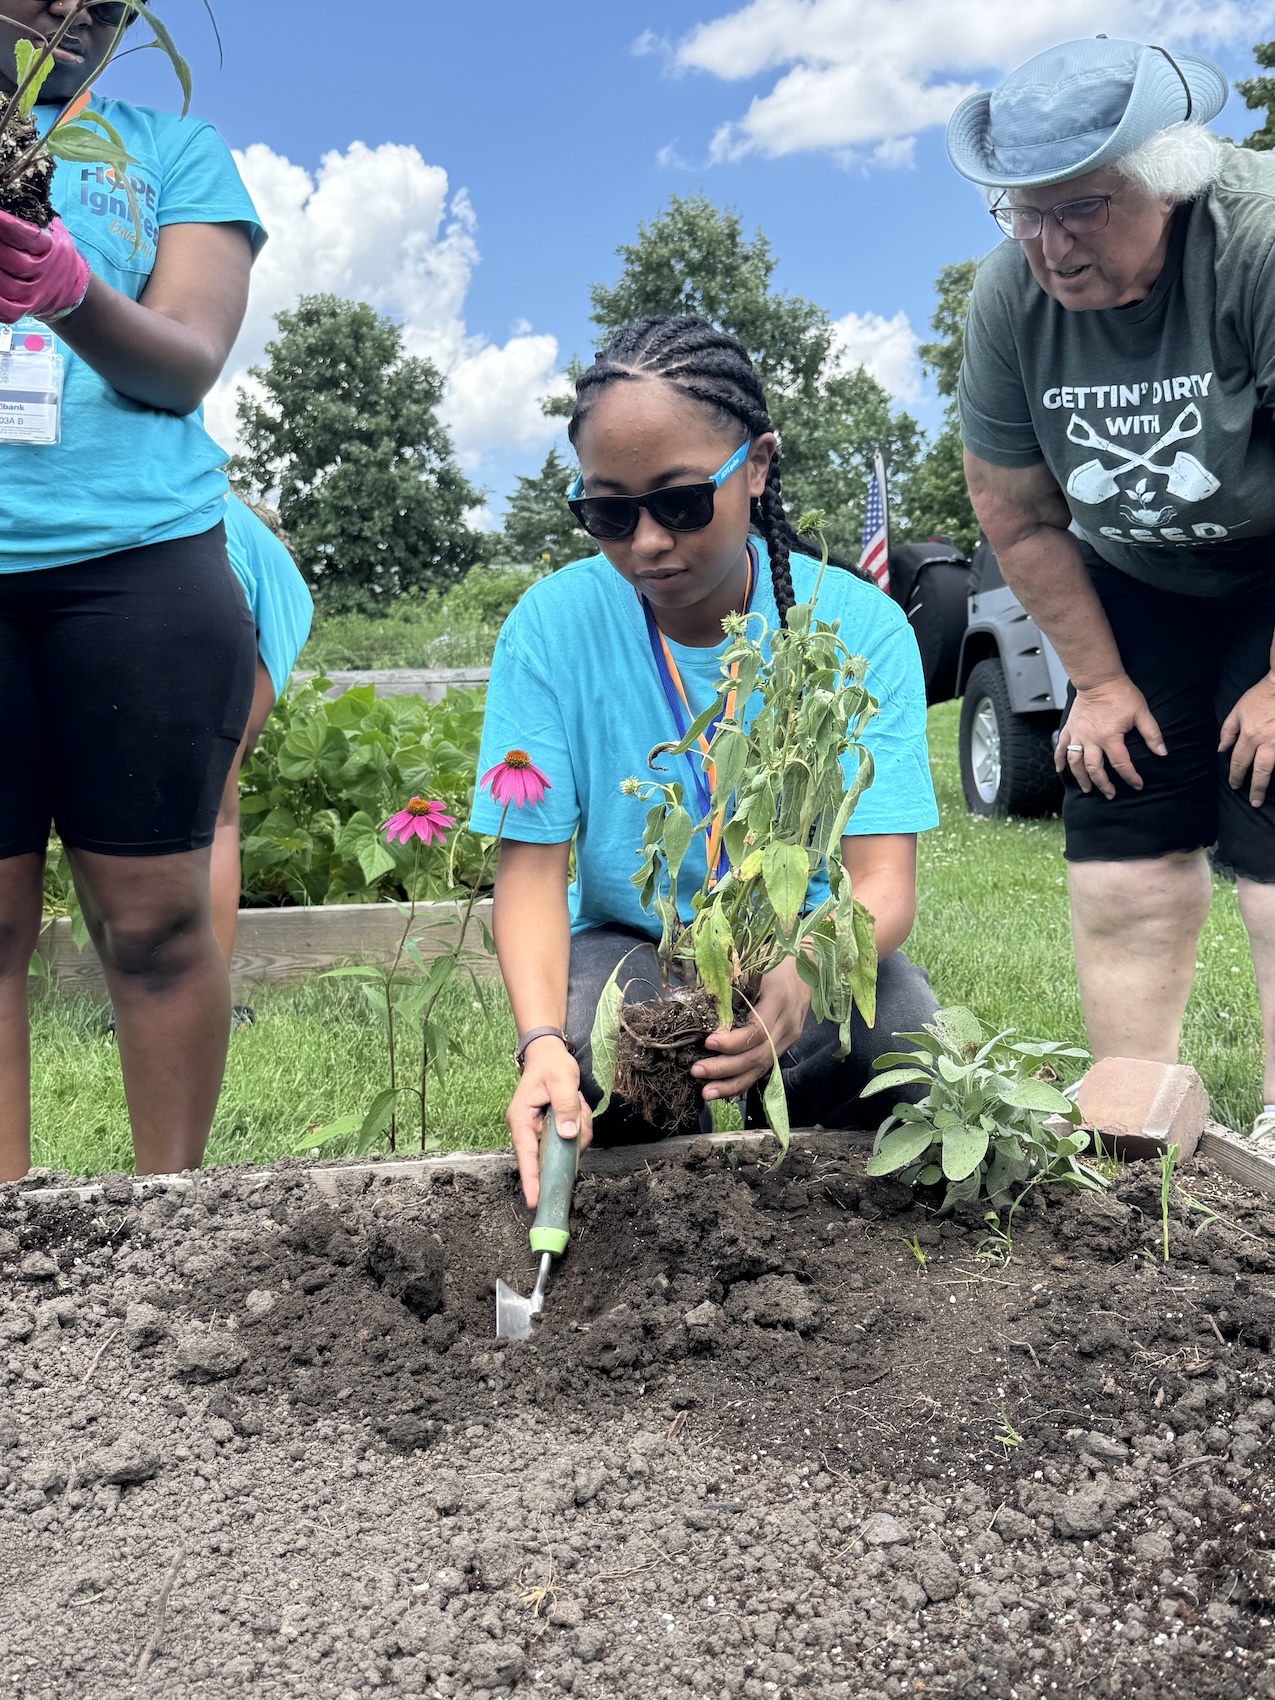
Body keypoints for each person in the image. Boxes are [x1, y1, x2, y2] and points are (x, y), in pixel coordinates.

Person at [469, 316, 940, 1206]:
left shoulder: (858, 629)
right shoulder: (551, 627)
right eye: (608, 513)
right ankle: (654, 1204)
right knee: (600, 1064)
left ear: (755, 467)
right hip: (631, 939)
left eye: (681, 502)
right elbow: (530, 874)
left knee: (905, 1054)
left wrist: (802, 974)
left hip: (797, 936)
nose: (647, 542)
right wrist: (540, 1044)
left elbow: (882, 881)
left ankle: (821, 1202)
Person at [949, 37, 1275, 1145]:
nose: (1049, 244)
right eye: (1024, 213)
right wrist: (1095, 682)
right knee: (1119, 802)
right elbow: (1017, 512)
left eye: (1080, 208)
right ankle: (1131, 1138)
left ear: (1167, 178)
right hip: (1137, 570)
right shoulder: (1010, 300)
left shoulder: (1257, 242)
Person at [0, 2, 264, 1183]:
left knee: (155, 922)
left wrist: (71, 292)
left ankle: (169, 1228)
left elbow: (186, 361)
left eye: (106, 6)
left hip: (138, 562)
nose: (74, 15)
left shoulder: (172, 152)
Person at [211, 496, 314, 1005]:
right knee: (214, 820)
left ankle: (134, 998)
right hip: (197, 605)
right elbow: (244, 731)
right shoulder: (271, 562)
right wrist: (236, 747)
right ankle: (208, 1001)